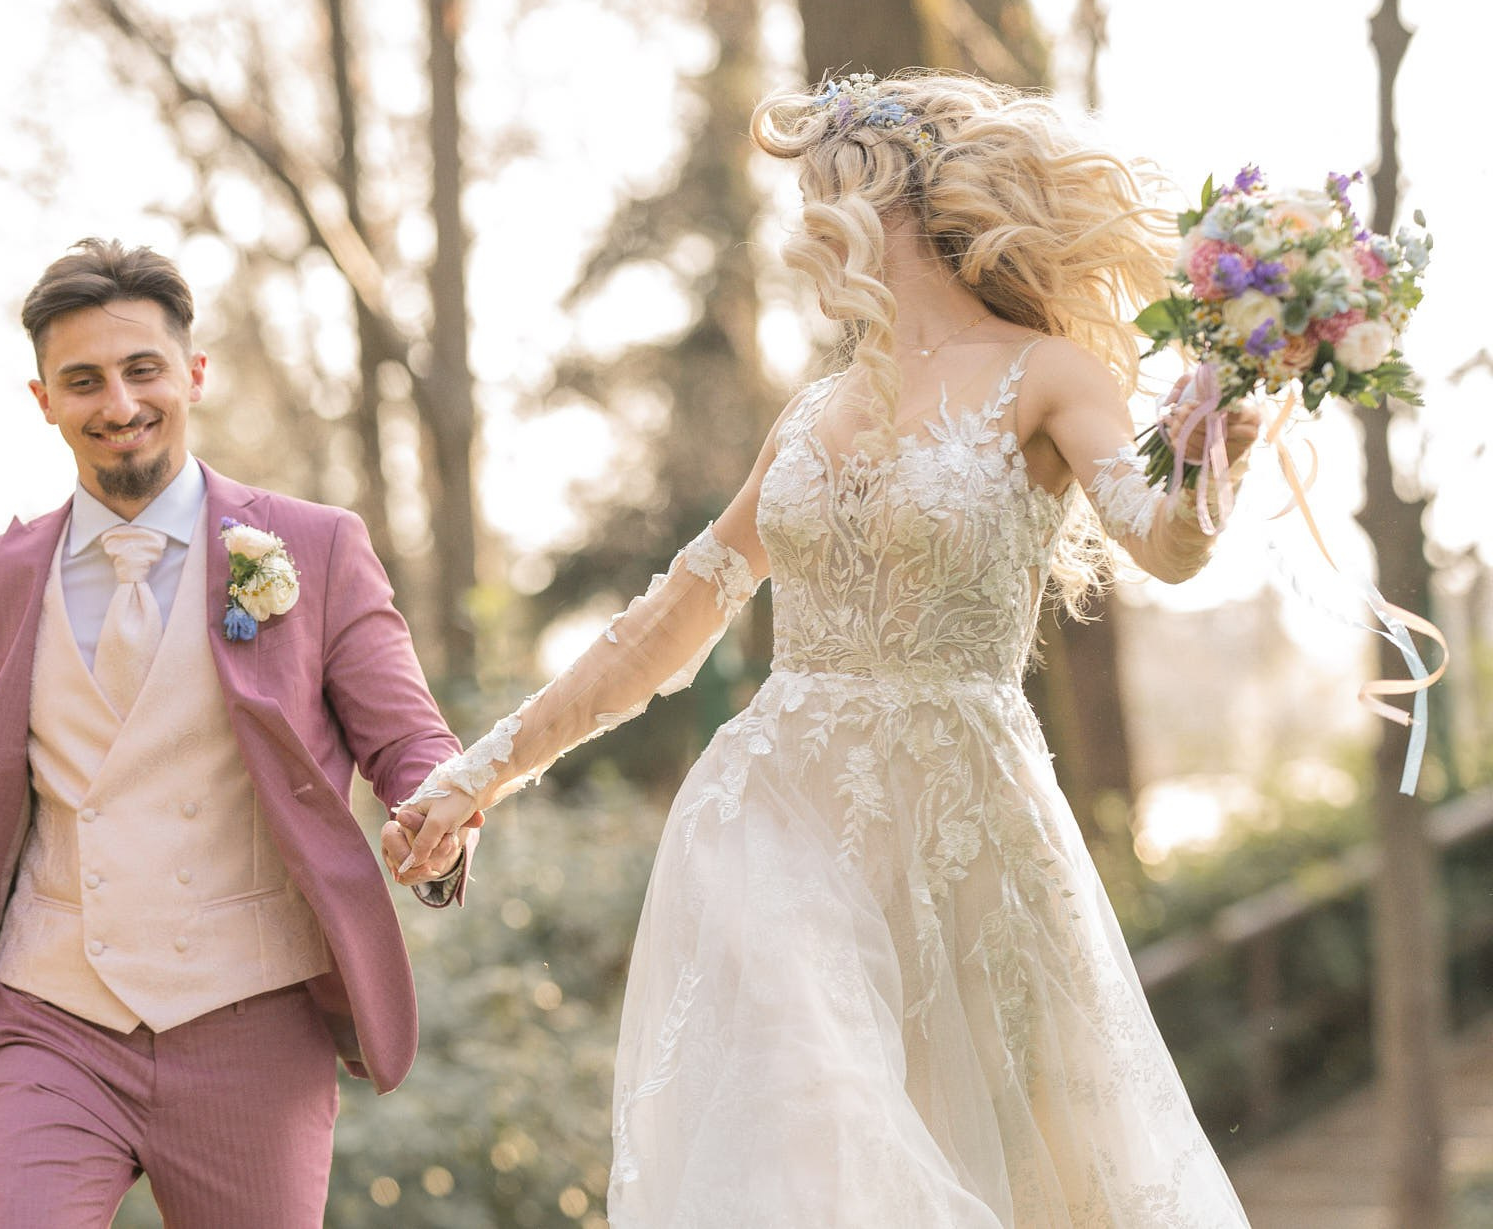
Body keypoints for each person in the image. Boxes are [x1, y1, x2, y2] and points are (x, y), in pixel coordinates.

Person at [392, 71, 1262, 1226]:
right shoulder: (809, 415)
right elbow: (661, 628)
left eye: (813, 193)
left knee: (1031, 1168)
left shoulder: (1044, 374)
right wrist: (474, 774)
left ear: (870, 196)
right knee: (817, 1112)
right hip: (773, 815)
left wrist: (1220, 435)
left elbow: (1163, 542)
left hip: (966, 833)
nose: (799, 227)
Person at [0, 239, 474, 1228]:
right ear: (44, 399)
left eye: (142, 371)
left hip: (250, 1022)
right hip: (50, 1021)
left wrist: (439, 811)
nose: (118, 403)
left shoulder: (313, 549)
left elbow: (408, 743)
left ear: (194, 374)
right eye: (82, 381)